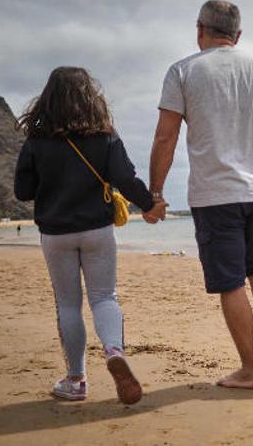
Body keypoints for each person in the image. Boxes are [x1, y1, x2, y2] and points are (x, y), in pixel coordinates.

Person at [149, 0, 253, 389]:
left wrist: (154, 191)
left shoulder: (183, 71)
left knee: (230, 283)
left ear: (200, 30)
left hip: (214, 194)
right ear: (237, 36)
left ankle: (251, 370)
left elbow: (165, 136)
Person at [14, 67, 165, 404]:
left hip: (55, 233)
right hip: (97, 230)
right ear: (90, 96)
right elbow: (125, 178)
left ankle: (76, 380)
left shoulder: (36, 141)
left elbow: (22, 190)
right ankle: (114, 351)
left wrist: (51, 181)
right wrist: (149, 206)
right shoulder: (105, 135)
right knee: (104, 297)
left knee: (68, 304)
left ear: (47, 99)